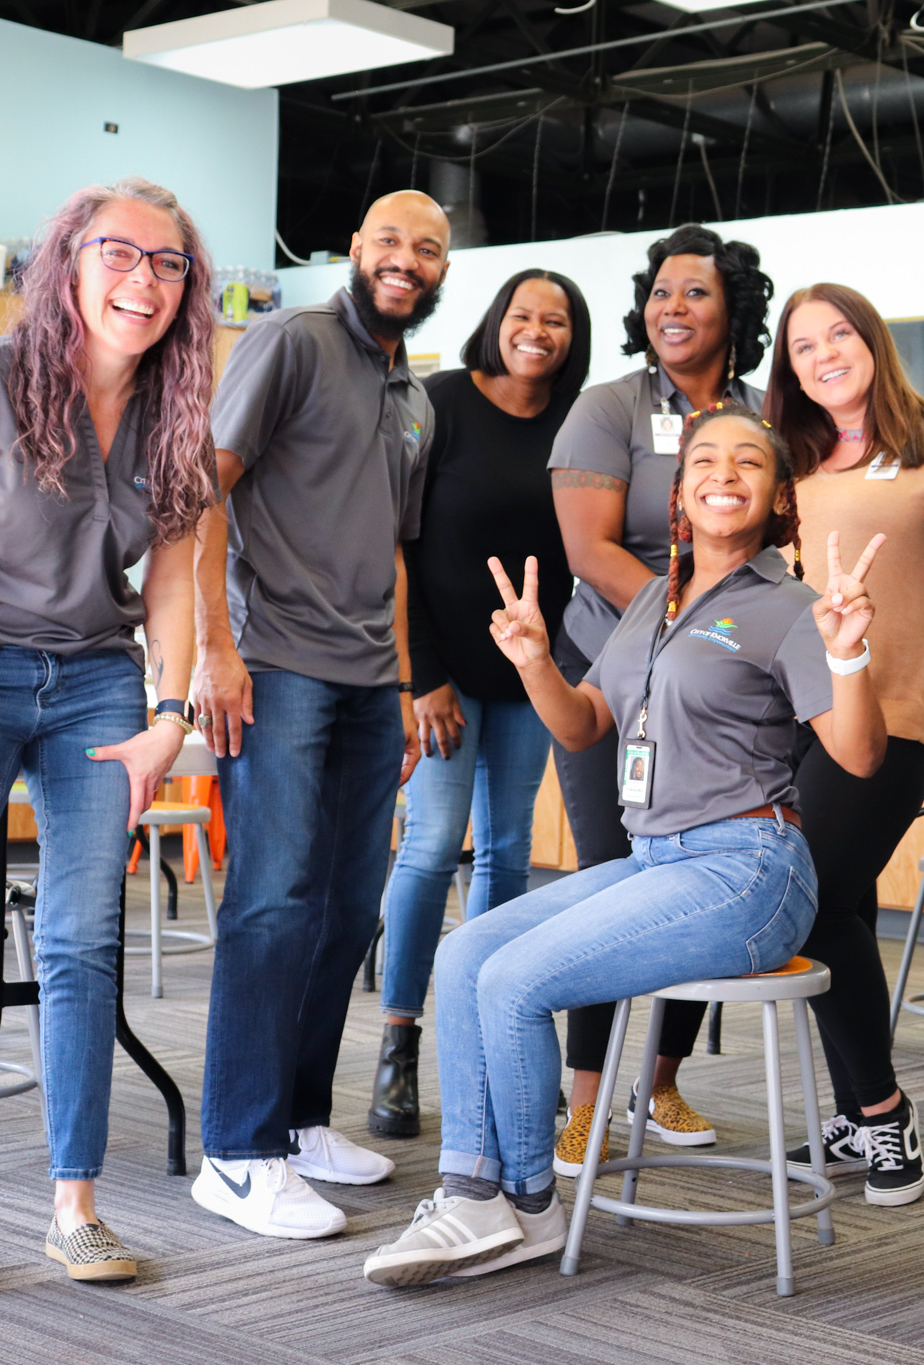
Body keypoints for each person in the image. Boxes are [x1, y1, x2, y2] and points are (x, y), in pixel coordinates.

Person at [361, 407, 888, 1286]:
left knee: (516, 980)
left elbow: (860, 754)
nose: (724, 471)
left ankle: (524, 1204)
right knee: (464, 957)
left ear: (777, 494)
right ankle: (472, 1191)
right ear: (680, 492)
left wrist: (847, 653)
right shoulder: (650, 598)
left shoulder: (791, 608)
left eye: (748, 460)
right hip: (656, 859)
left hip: (747, 867)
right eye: (705, 458)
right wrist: (535, 660)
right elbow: (583, 726)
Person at [0, 178, 215, 1298]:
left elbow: (171, 585)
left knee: (80, 943)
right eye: (121, 254)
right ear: (68, 262)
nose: (143, 282)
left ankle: (75, 1207)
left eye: (167, 265)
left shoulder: (176, 413)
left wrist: (170, 716)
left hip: (97, 684)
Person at [186, 190, 446, 1240]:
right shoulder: (289, 343)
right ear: (353, 250)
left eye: (427, 249)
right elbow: (204, 488)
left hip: (366, 681)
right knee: (271, 904)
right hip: (277, 667)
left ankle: (295, 1122)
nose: (406, 259)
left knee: (346, 911)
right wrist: (213, 647)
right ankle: (235, 1153)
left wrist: (400, 676)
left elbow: (390, 546)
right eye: (388, 239)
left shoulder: (411, 394)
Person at [544, 223, 776, 1169]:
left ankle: (665, 1078)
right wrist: (684, 611)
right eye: (661, 293)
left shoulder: (762, 413)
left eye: (696, 294)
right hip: (615, 664)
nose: (672, 309)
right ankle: (585, 1097)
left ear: (734, 312)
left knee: (710, 868)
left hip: (724, 686)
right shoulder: (608, 409)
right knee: (613, 878)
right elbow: (588, 548)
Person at [761, 282, 924, 1206]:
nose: (823, 356)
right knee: (840, 909)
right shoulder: (790, 456)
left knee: (808, 906)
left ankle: (884, 1113)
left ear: (873, 341)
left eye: (839, 334)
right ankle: (862, 1113)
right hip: (794, 719)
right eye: (803, 346)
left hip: (892, 717)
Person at [368, 268, 593, 1140]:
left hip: (530, 674)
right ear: (497, 319)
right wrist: (418, 674)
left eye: (558, 320)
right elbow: (399, 544)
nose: (538, 330)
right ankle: (399, 1040)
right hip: (446, 674)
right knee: (429, 846)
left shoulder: (578, 426)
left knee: (505, 852)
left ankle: (485, 1034)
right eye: (524, 313)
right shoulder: (442, 402)